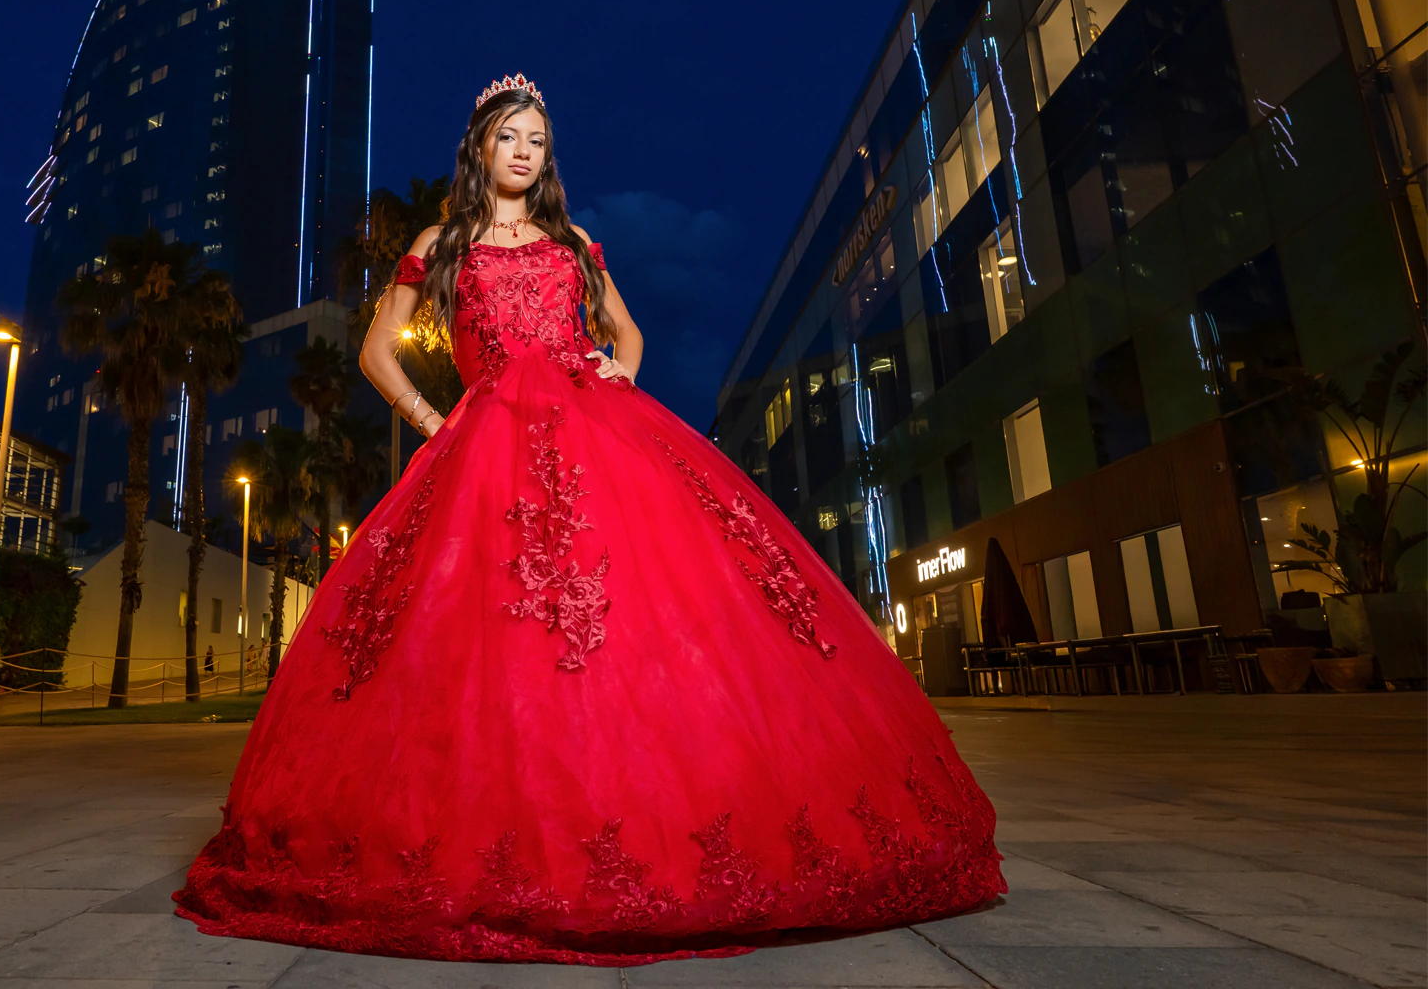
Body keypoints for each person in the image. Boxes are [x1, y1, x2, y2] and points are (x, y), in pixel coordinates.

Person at [174, 74, 1005, 965]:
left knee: (632, 614)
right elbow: (379, 350)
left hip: (595, 434)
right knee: (490, 634)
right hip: (488, 446)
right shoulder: (440, 244)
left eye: (537, 139)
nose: (525, 152)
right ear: (480, 150)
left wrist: (620, 373)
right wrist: (436, 422)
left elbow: (629, 333)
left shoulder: (573, 242)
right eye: (510, 138)